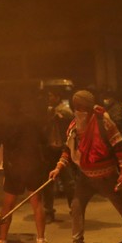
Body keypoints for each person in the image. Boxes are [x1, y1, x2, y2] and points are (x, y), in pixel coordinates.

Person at [48, 90, 122, 243]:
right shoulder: (74, 125)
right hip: (85, 177)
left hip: (106, 176)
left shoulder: (104, 123)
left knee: (121, 205)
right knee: (76, 206)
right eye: (75, 106)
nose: (77, 110)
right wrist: (58, 167)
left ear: (88, 107)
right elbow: (68, 150)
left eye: (80, 106)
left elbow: (120, 148)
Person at [0, 91, 50, 243]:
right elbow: (44, 140)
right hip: (33, 164)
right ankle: (41, 239)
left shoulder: (3, 123)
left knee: (8, 204)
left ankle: (2, 240)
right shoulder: (31, 121)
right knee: (37, 202)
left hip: (14, 166)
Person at [42, 88, 73, 224]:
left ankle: (74, 209)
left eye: (51, 95)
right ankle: (48, 211)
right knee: (48, 183)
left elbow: (69, 117)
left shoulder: (64, 110)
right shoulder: (48, 111)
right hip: (50, 150)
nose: (49, 98)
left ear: (57, 96)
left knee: (69, 182)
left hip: (62, 149)